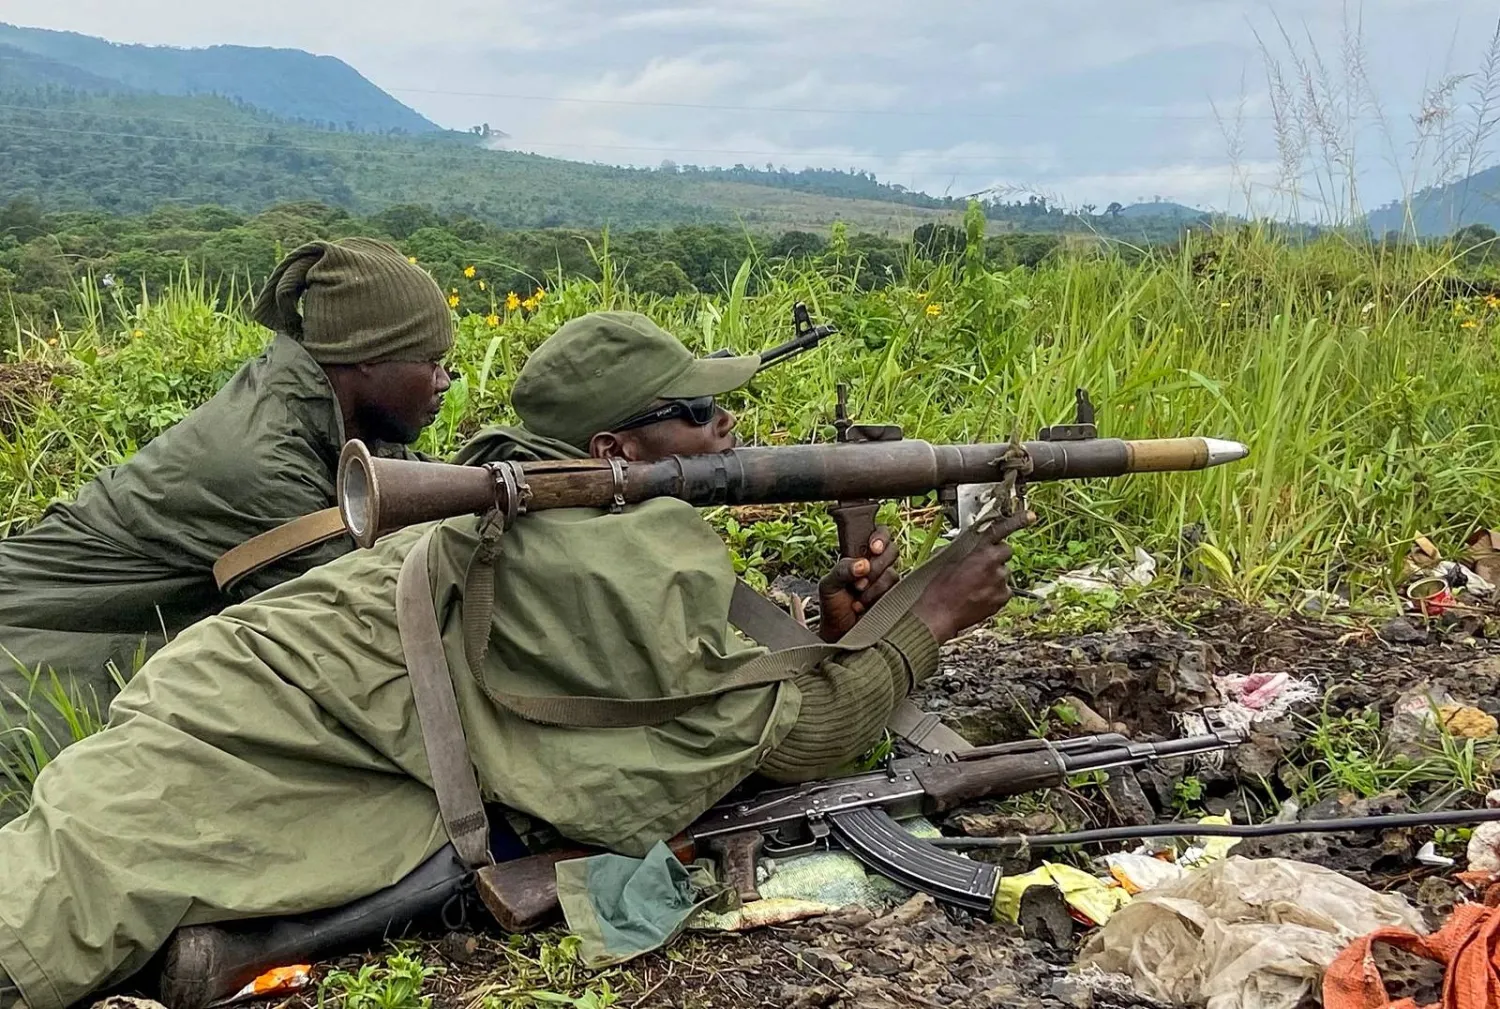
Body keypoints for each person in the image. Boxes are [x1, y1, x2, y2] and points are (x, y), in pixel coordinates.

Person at [0, 311, 1028, 1009]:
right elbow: (800, 735)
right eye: (697, 413)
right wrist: (932, 614)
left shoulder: (538, 498)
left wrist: (828, 630)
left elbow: (691, 672)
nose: (728, 429)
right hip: (243, 729)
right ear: (613, 451)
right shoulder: (597, 559)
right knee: (46, 918)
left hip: (262, 703)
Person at [0, 237, 454, 743]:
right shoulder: (264, 461)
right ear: (367, 356)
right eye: (432, 361)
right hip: (36, 632)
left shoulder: (321, 409)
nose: (445, 381)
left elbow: (418, 482)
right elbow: (357, 627)